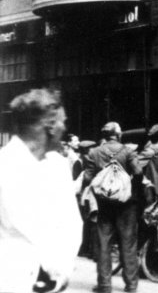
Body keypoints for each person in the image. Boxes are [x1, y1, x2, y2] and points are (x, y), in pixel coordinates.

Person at [0, 88, 82, 293]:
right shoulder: (4, 165)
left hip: (52, 284)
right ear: (50, 125)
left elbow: (71, 224)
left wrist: (61, 272)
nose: (64, 128)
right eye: (63, 121)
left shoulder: (59, 167)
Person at [83, 121, 144, 293]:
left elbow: (87, 178)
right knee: (128, 244)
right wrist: (130, 188)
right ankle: (131, 286)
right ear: (118, 134)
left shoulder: (94, 152)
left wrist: (100, 189)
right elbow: (138, 172)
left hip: (104, 205)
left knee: (104, 245)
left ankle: (104, 285)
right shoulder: (128, 151)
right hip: (127, 206)